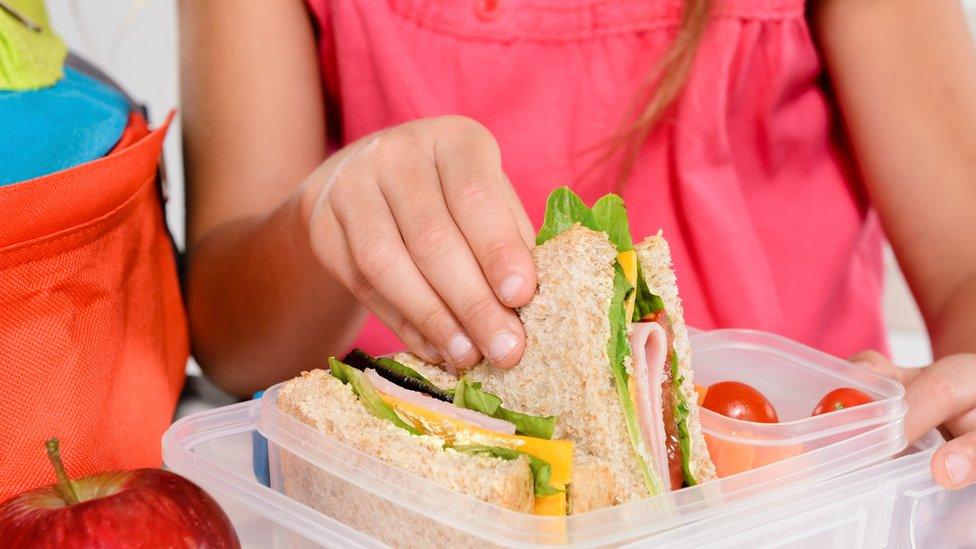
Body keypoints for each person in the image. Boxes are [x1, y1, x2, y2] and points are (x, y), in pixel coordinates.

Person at [178, 0, 976, 490]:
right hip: (414, 493)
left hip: (806, 491)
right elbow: (232, 344)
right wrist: (330, 213)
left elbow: (964, 267)